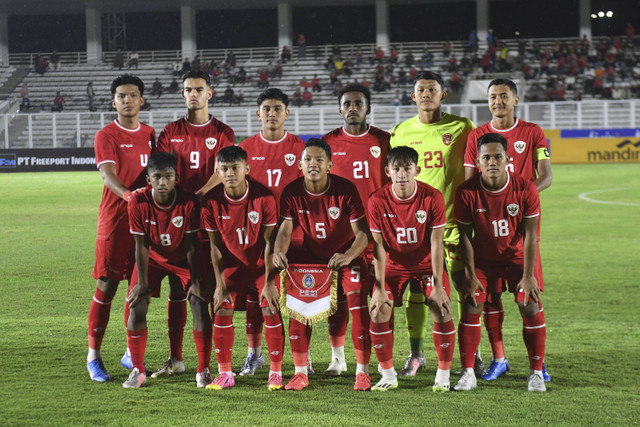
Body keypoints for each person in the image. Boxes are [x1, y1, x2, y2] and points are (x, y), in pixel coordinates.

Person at [148, 69, 235, 379]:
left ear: (210, 93)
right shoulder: (170, 131)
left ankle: (210, 364)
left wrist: (197, 194)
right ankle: (175, 358)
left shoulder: (223, 132)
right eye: (188, 89)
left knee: (205, 291)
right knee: (176, 290)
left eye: (199, 88)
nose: (193, 94)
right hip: (176, 222)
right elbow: (162, 172)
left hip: (212, 220)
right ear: (183, 94)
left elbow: (223, 170)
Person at [389, 71, 477, 377]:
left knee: (464, 288)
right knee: (418, 291)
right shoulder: (400, 131)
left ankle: (471, 351)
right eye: (421, 90)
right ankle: (417, 354)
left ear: (443, 95)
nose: (426, 94)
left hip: (454, 223)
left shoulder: (462, 127)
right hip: (414, 228)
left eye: (432, 89)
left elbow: (473, 167)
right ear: (413, 97)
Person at [464, 78, 552, 383]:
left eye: (504, 96)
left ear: (515, 99)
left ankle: (537, 364)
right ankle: (498, 358)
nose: (498, 101)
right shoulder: (477, 136)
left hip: (521, 227)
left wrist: (518, 199)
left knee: (528, 297)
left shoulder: (533, 132)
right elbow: (469, 181)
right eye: (492, 97)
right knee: (488, 298)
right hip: (486, 226)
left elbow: (547, 176)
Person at [273, 139, 372, 391]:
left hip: (347, 255)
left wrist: (348, 256)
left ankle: (362, 372)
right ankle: (299, 373)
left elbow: (362, 234)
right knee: (299, 307)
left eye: (319, 160)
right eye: (308, 159)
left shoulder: (345, 189)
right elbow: (284, 231)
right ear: (300, 164)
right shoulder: (292, 191)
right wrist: (278, 251)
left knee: (358, 307)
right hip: (311, 258)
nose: (313, 164)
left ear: (330, 164)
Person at [453, 133, 547, 393]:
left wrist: (528, 275)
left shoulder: (525, 188)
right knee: (472, 303)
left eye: (497, 156)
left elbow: (531, 235)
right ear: (478, 161)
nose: (492, 161)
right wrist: (470, 275)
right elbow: (465, 236)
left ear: (508, 159)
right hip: (484, 260)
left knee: (528, 304)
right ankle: (468, 372)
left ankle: (536, 372)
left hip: (518, 259)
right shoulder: (465, 192)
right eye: (486, 157)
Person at [86, 74, 155, 382]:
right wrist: (130, 196)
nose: (128, 100)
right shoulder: (107, 135)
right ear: (114, 102)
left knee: (138, 292)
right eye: (122, 96)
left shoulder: (152, 135)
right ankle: (93, 357)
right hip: (115, 221)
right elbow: (108, 176)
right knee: (107, 287)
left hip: (145, 224)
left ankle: (131, 354)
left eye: (133, 95)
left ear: (141, 100)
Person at [123, 152, 213, 388]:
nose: (162, 182)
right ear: (148, 179)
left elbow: (192, 246)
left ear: (176, 178)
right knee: (137, 304)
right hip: (152, 259)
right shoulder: (138, 202)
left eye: (168, 176)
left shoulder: (188, 202)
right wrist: (143, 284)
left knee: (199, 302)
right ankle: (138, 370)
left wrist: (194, 280)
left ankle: (203, 370)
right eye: (157, 177)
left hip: (183, 259)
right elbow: (141, 245)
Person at [368, 146, 454, 392]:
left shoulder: (432, 197)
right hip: (393, 265)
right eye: (396, 169)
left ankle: (443, 375)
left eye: (407, 168)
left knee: (441, 306)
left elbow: (437, 244)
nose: (402, 174)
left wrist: (438, 286)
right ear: (388, 171)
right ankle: (388, 375)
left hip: (426, 264)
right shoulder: (377, 200)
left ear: (417, 170)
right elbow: (378, 247)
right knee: (378, 310)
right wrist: (380, 287)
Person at [200, 146, 284, 390]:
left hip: (261, 266)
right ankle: (225, 374)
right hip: (232, 267)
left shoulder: (264, 197)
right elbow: (214, 248)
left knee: (270, 307)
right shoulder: (211, 202)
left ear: (247, 168)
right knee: (222, 307)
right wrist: (220, 284)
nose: (230, 173)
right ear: (217, 171)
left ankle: (275, 373)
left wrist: (269, 282)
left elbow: (270, 242)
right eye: (224, 169)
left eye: (235, 168)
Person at [321, 83, 390, 377]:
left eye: (358, 103)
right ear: (340, 109)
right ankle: (338, 359)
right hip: (339, 235)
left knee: (379, 298)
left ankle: (384, 359)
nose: (352, 108)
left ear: (367, 107)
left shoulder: (385, 141)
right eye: (347, 104)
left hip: (377, 235)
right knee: (336, 301)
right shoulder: (326, 142)